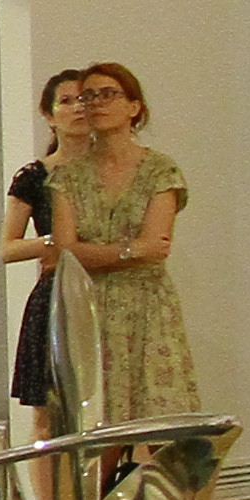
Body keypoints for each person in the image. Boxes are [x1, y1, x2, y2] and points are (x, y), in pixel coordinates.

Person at [51, 63, 200, 425]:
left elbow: (157, 246)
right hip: (88, 305)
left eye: (108, 94)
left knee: (158, 423)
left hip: (148, 305)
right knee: (97, 423)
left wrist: (103, 252)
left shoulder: (160, 169)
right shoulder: (66, 177)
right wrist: (131, 250)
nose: (96, 103)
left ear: (134, 107)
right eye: (88, 96)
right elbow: (65, 252)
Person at [0, 71, 93, 415]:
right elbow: (7, 248)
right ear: (49, 116)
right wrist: (55, 241)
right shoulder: (35, 176)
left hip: (104, 287)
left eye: (84, 99)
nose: (78, 108)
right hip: (56, 293)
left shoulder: (111, 170)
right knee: (49, 414)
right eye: (66, 101)